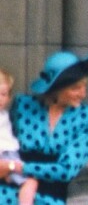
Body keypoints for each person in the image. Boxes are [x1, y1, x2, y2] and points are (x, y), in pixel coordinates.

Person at [0, 51, 88, 204]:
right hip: (7, 189)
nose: (83, 94)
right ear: (57, 88)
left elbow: (66, 170)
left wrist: (14, 166)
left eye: (84, 87)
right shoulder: (23, 105)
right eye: (75, 88)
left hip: (49, 197)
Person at [0, 68, 38, 205]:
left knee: (31, 181)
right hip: (4, 155)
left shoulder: (5, 114)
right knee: (29, 180)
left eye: (3, 94)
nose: (0, 99)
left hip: (11, 154)